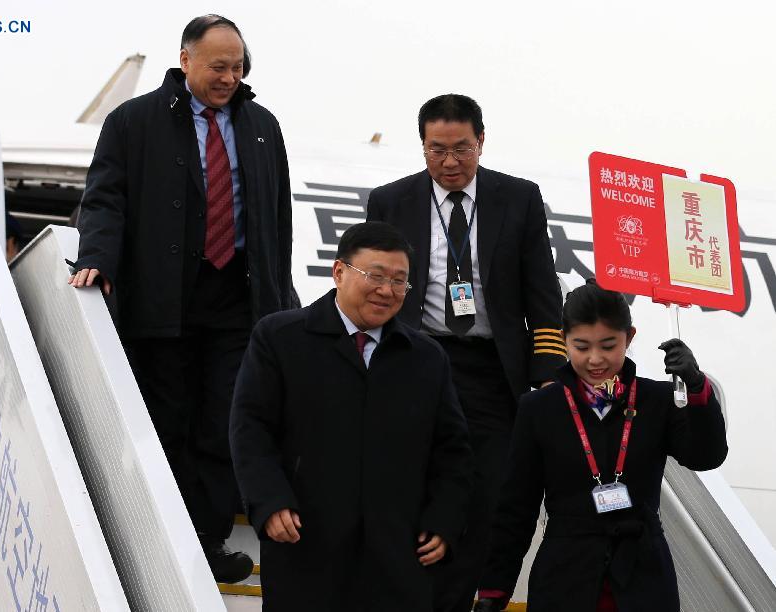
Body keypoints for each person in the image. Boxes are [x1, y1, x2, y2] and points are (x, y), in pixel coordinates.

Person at [68, 14, 295, 583]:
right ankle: (156, 539)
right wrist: (97, 255)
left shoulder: (263, 126)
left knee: (226, 421)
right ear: (186, 59)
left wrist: (281, 298)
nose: (229, 77)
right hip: (163, 299)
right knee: (165, 422)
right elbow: (105, 200)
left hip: (239, 301)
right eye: (218, 66)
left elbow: (277, 221)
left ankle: (206, 540)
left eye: (238, 66)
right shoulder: (133, 122)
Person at [366, 93, 566, 610]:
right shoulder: (391, 201)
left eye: (462, 149)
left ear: (482, 141)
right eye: (437, 150)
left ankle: (461, 599)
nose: (450, 162)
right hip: (415, 359)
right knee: (411, 481)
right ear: (422, 146)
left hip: (490, 369)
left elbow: (542, 293)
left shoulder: (517, 198)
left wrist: (546, 373)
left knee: (487, 492)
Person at [230, 222, 473, 611]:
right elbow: (250, 428)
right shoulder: (281, 337)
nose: (386, 290)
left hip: (398, 553)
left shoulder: (426, 358)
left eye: (399, 281)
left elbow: (453, 451)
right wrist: (268, 500)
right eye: (375, 275)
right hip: (305, 542)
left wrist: (445, 520)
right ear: (339, 272)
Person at [474, 279, 728, 612]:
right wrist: (494, 591)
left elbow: (705, 456)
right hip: (564, 578)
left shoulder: (658, 400)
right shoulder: (540, 408)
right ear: (564, 340)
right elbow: (516, 508)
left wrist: (695, 387)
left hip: (643, 577)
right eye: (581, 346)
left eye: (608, 345)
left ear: (630, 337)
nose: (595, 359)